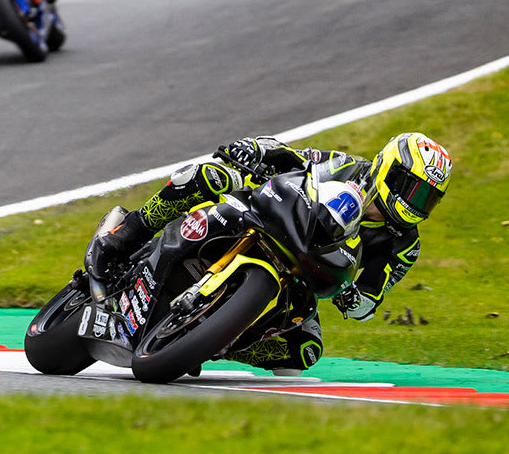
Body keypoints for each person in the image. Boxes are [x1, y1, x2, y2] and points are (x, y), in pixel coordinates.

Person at [85, 132, 451, 374]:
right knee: (209, 175)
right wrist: (255, 149)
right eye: (411, 187)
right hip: (266, 215)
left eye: (427, 197)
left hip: (305, 273)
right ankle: (128, 232)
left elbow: (370, 297)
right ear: (389, 168)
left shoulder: (405, 245)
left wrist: (353, 298)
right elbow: (293, 156)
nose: (415, 202)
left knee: (306, 350)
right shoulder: (346, 166)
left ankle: (215, 342)